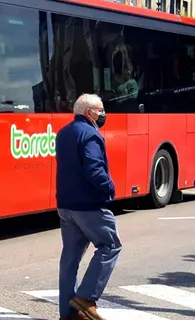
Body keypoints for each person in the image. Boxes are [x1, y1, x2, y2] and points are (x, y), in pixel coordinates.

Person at [54, 93, 122, 320]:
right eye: (100, 110)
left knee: (70, 258)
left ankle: (67, 313)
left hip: (65, 205)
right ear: (88, 112)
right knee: (110, 245)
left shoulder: (64, 133)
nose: (103, 114)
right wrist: (110, 187)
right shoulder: (90, 135)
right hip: (89, 205)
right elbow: (94, 169)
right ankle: (85, 298)